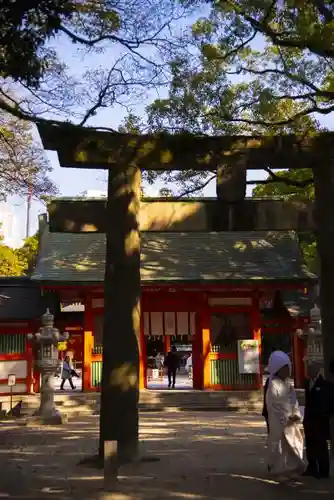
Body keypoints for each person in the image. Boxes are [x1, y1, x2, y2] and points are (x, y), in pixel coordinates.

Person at [266, 350, 305, 482]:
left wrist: (296, 414)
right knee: (280, 445)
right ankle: (278, 470)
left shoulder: (288, 384)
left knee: (293, 444)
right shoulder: (272, 385)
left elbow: (294, 400)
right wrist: (286, 417)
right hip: (279, 422)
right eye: (284, 368)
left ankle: (292, 468)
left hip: (291, 420)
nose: (287, 371)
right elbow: (274, 406)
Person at [303, 361, 331, 479]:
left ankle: (323, 470)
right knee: (310, 444)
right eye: (307, 369)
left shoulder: (325, 385)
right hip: (309, 418)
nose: (308, 371)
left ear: (317, 371)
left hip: (319, 419)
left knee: (321, 445)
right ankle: (312, 467)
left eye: (311, 369)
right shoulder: (307, 383)